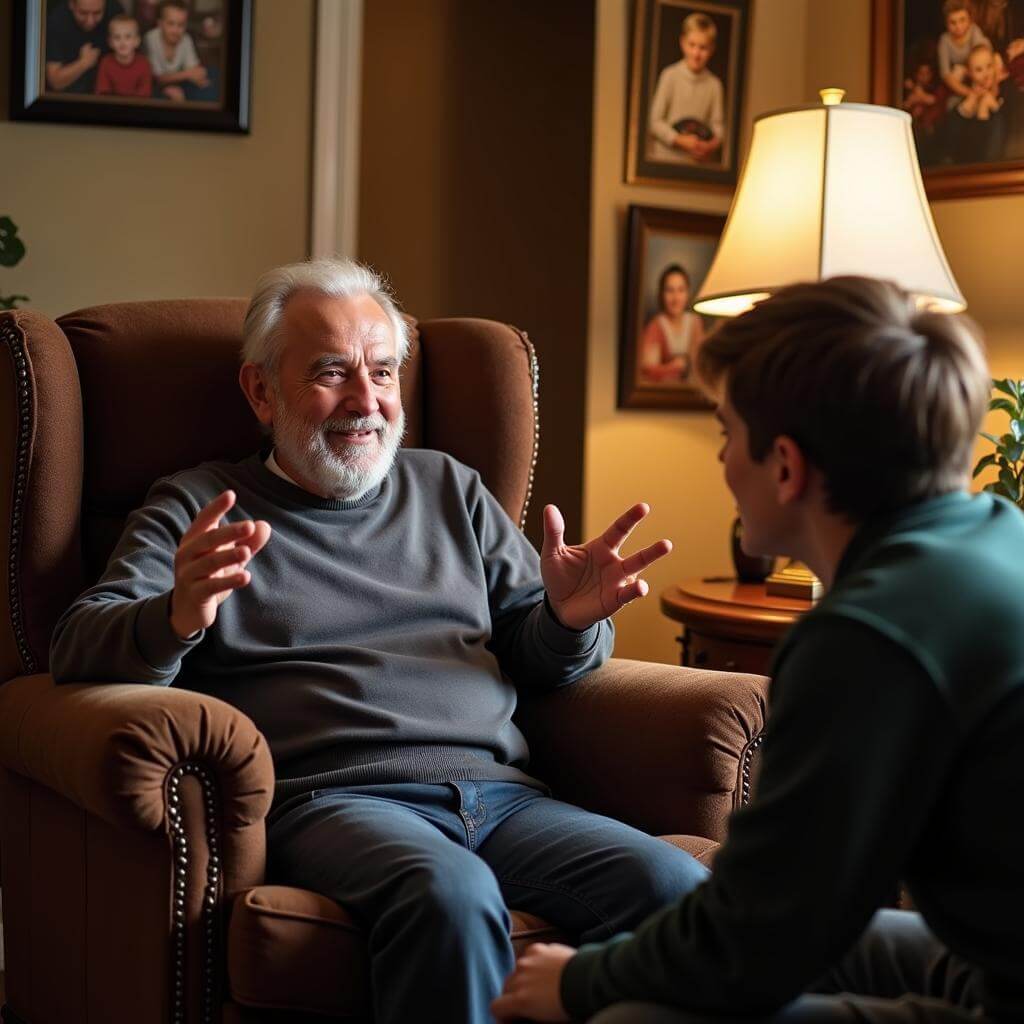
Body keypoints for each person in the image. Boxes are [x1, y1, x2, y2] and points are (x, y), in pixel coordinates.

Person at [49, 258, 710, 1024]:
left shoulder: (451, 489)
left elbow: (543, 659)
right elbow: (76, 645)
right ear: (261, 391)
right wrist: (172, 616)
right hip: (338, 802)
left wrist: (567, 620)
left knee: (677, 893)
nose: (366, 402)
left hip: (504, 799)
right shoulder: (202, 506)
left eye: (384, 373)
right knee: (452, 898)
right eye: (332, 373)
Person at [492, 276, 1024, 1023]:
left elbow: (754, 935)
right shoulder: (1002, 535)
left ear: (785, 465)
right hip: (992, 961)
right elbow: (797, 916)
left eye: (725, 433)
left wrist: (578, 983)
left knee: (630, 1017)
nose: (720, 461)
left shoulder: (866, 638)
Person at [647, 12, 724, 166]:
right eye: (692, 45)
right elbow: (654, 122)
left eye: (703, 48)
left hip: (696, 165)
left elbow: (719, 127)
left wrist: (709, 146)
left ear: (712, 49)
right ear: (683, 43)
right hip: (665, 161)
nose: (696, 53)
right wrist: (679, 140)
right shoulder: (669, 75)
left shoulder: (714, 85)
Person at [639, 264, 704, 385]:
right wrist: (677, 367)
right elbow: (648, 370)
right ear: (661, 294)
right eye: (670, 290)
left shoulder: (695, 322)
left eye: (681, 290)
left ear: (688, 293)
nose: (676, 298)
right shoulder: (656, 326)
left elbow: (699, 365)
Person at [44, 0, 123, 95]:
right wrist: (83, 63)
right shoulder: (56, 22)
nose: (90, 21)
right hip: (68, 95)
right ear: (71, 4)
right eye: (83, 13)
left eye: (97, 13)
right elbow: (55, 82)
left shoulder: (115, 11)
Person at [144, 0, 212, 102]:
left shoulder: (186, 39)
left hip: (179, 82)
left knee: (209, 80)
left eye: (181, 25)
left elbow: (194, 68)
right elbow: (157, 78)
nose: (176, 30)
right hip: (154, 85)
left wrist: (198, 76)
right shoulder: (151, 38)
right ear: (160, 23)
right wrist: (188, 74)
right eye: (171, 24)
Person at [95, 12, 153, 98]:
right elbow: (103, 93)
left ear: (137, 41)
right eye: (117, 37)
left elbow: (145, 95)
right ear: (110, 42)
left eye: (128, 37)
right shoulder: (105, 62)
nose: (122, 42)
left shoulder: (144, 63)